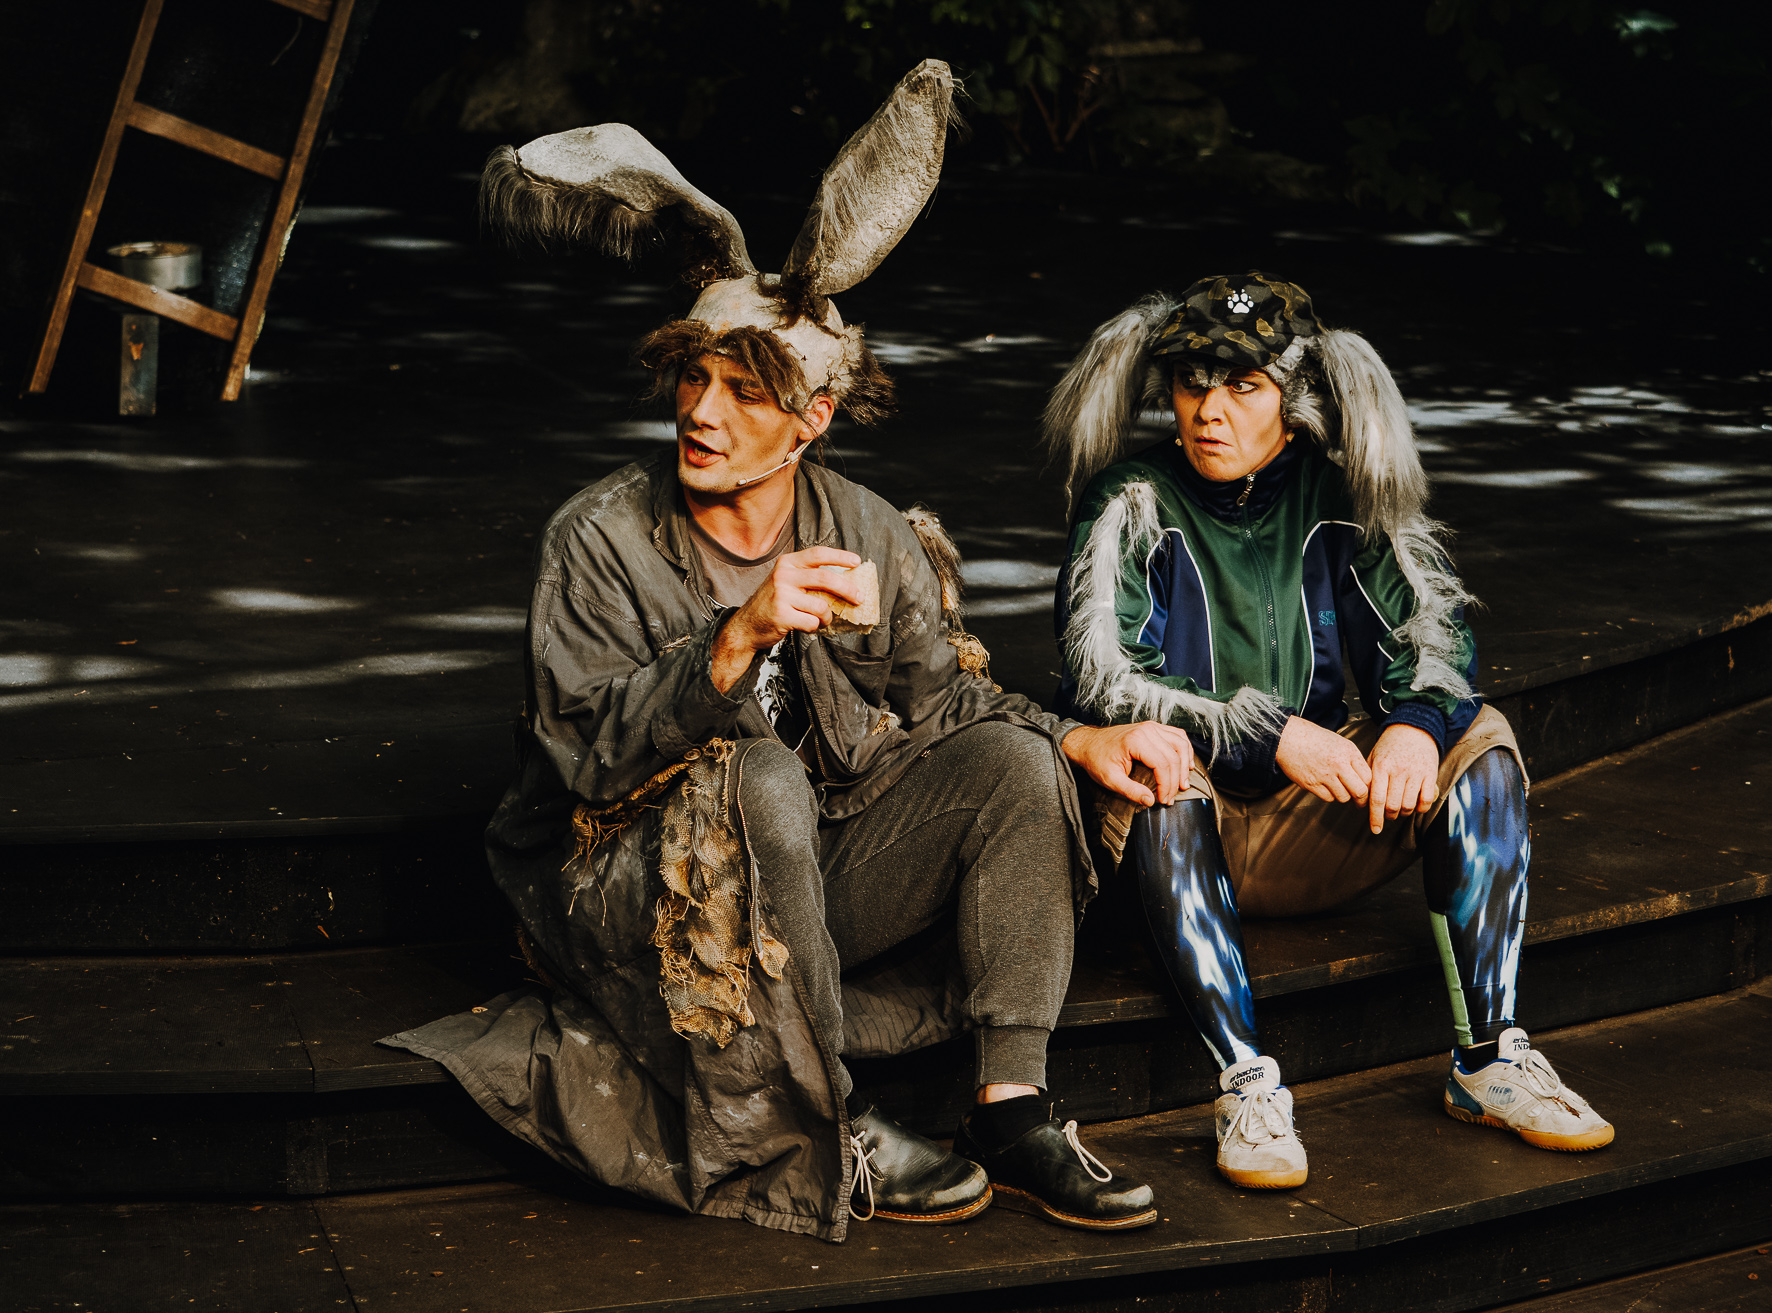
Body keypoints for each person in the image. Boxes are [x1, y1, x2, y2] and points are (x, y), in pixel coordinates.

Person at [385, 62, 1169, 1243]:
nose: (700, 414)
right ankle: (828, 1115)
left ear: (810, 418)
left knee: (1015, 765)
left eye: (743, 395)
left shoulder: (863, 526)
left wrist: (1078, 739)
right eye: (691, 378)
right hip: (635, 898)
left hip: (805, 878)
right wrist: (736, 635)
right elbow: (580, 763)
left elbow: (945, 708)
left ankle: (1011, 1109)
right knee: (754, 774)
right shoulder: (599, 538)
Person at [1043, 272, 1614, 1192]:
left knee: (1481, 736)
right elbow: (1103, 681)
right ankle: (1246, 1085)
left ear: (1294, 399)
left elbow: (1430, 633)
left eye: (1244, 386)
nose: (1209, 409)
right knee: (1154, 766)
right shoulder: (1129, 498)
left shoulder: (1341, 490)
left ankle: (1489, 1060)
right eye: (1192, 382)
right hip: (1180, 833)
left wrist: (1415, 725)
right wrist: (1270, 734)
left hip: (1318, 823)